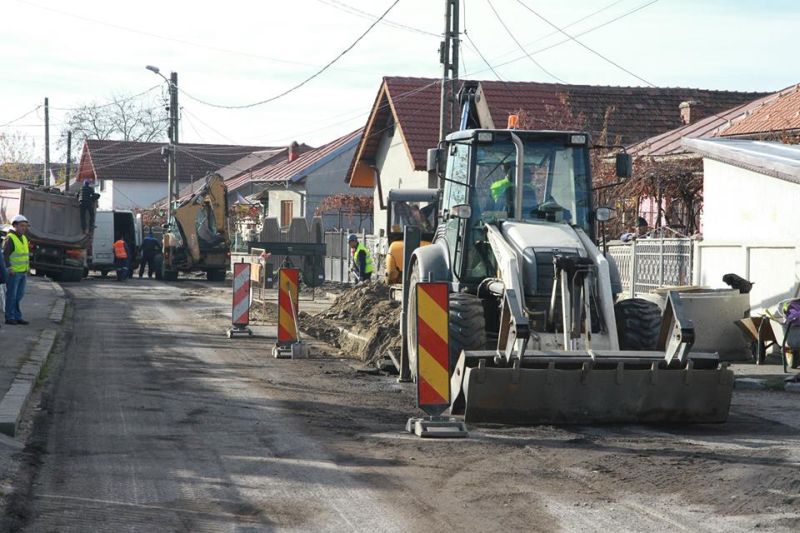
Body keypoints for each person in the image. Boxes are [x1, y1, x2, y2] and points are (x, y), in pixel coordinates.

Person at [3, 215, 31, 325]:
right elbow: (5, 255)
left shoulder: (24, 238)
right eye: (21, 226)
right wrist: (9, 268)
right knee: (11, 296)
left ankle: (16, 316)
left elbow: (25, 255)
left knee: (19, 295)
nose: (24, 228)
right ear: (15, 225)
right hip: (13, 272)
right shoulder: (10, 238)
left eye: (25, 226)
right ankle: (10, 317)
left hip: (22, 272)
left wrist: (27, 268)